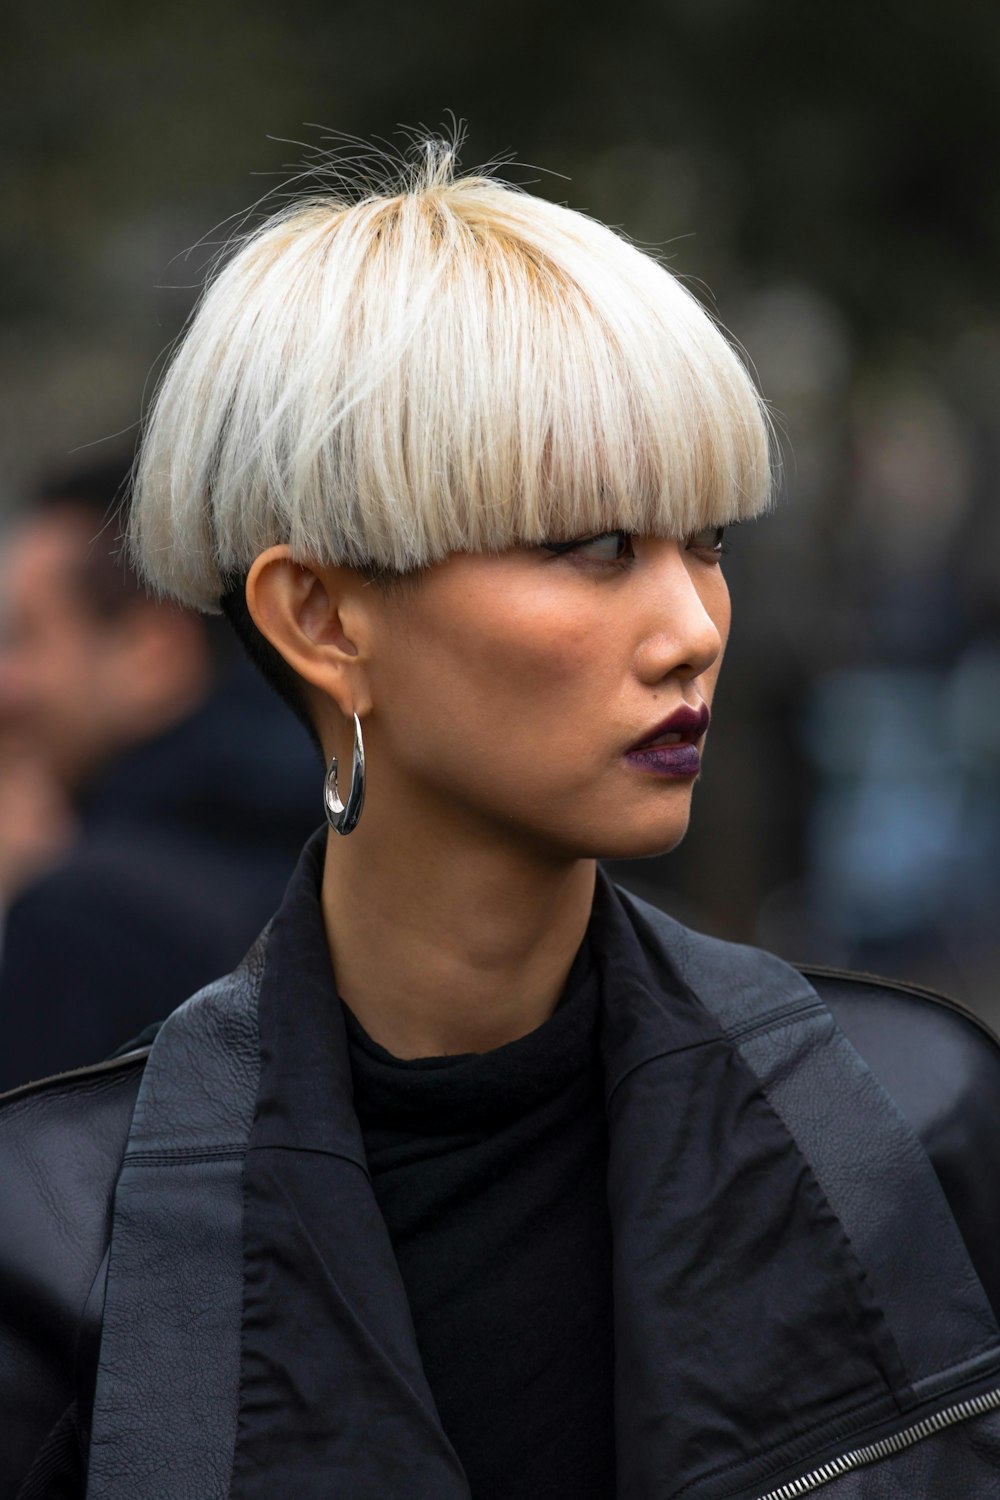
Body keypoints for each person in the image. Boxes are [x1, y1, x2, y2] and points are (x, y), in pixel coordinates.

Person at [3, 144, 1000, 1500]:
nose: (692, 627)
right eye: (593, 546)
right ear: (321, 617)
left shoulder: (914, 1121)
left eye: (706, 541)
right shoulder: (61, 1241)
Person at [0, 462, 320, 1088]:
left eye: (25, 638)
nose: (6, 686)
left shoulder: (77, 917)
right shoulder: (342, 819)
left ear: (152, 654)